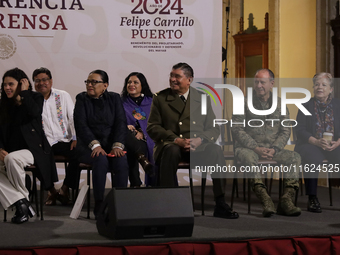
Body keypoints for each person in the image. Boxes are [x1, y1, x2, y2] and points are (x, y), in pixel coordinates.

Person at [147, 62, 239, 219]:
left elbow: (213, 128)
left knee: (216, 150)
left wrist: (200, 140)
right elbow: (153, 127)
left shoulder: (202, 98)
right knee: (171, 150)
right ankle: (170, 203)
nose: (172, 79)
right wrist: (176, 140)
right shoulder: (160, 98)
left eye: (177, 76)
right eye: (171, 75)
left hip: (197, 147)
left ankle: (221, 203)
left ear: (189, 80)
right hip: (172, 145)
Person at [232, 68, 301, 217]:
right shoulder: (243, 102)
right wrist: (255, 148)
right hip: (248, 148)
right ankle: (266, 200)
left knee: (295, 157)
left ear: (271, 84)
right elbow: (237, 129)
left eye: (262, 82)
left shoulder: (281, 104)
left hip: (272, 150)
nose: (258, 85)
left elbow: (285, 131)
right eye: (256, 82)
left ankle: (286, 200)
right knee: (250, 159)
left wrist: (275, 149)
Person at [0, 68, 58, 223]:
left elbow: (34, 112)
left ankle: (22, 203)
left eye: (11, 84)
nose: (7, 88)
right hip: (10, 151)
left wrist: (24, 94)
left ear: (22, 83)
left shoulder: (35, 98)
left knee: (12, 159)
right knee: (10, 158)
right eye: (5, 84)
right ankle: (22, 203)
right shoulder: (3, 104)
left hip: (34, 150)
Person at [74, 69, 129, 218]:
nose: (90, 85)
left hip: (110, 145)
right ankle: (99, 203)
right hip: (88, 146)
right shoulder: (81, 99)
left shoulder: (114, 98)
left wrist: (117, 145)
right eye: (88, 81)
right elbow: (81, 126)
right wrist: (95, 145)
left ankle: (121, 203)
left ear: (105, 85)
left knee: (121, 158)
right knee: (100, 158)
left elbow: (120, 123)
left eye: (94, 82)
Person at [295, 72, 340, 213]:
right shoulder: (305, 105)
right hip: (310, 143)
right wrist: (316, 141)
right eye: (317, 84)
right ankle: (312, 197)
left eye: (324, 85)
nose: (320, 87)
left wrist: (338, 142)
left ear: (331, 89)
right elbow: (300, 130)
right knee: (311, 157)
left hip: (333, 144)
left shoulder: (338, 105)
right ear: (313, 87)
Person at [32, 67, 78, 206]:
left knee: (79, 153)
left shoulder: (62, 95)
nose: (41, 83)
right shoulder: (31, 100)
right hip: (44, 142)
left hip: (64, 139)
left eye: (45, 80)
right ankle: (51, 190)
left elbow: (72, 117)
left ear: (51, 81)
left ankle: (65, 189)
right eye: (37, 81)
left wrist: (75, 138)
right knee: (38, 157)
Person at [121, 72, 156, 187]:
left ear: (142, 85)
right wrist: (128, 128)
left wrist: (142, 132)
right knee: (129, 146)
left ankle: (137, 183)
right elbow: (117, 122)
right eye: (129, 82)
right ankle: (136, 180)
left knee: (132, 149)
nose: (131, 84)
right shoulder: (121, 102)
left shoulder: (151, 102)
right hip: (129, 139)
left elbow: (155, 123)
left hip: (149, 140)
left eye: (135, 82)